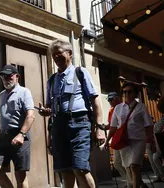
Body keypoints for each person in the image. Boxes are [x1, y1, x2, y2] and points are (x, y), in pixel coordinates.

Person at [39, 39, 104, 188]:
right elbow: (49, 108)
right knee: (65, 171)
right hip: (59, 126)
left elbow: (96, 101)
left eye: (59, 53)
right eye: (53, 55)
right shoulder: (51, 80)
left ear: (69, 53)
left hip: (80, 123)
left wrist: (99, 128)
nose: (56, 57)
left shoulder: (80, 73)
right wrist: (45, 112)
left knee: (80, 168)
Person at [0, 65, 35, 188]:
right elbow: (1, 118)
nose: (6, 79)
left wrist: (21, 135)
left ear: (17, 76)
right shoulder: (1, 95)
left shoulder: (24, 92)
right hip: (3, 138)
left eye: (9, 76)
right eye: (3, 76)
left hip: (19, 136)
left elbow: (31, 115)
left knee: (20, 176)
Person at [104, 82, 153, 188]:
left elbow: (148, 125)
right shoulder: (118, 108)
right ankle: (141, 185)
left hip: (138, 140)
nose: (126, 94)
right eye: (124, 92)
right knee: (129, 168)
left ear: (135, 93)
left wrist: (150, 140)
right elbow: (113, 127)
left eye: (129, 91)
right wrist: (107, 140)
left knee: (134, 166)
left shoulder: (141, 107)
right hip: (124, 142)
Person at [104, 92, 131, 188]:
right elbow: (111, 125)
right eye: (109, 100)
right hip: (116, 140)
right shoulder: (112, 111)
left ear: (117, 98)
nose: (110, 102)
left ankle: (131, 183)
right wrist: (103, 126)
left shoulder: (125, 107)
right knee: (117, 163)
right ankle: (130, 181)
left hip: (125, 139)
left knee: (126, 163)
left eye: (111, 100)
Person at [151, 97, 164, 182]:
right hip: (159, 142)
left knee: (155, 157)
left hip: (161, 141)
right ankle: (162, 175)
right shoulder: (162, 118)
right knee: (155, 157)